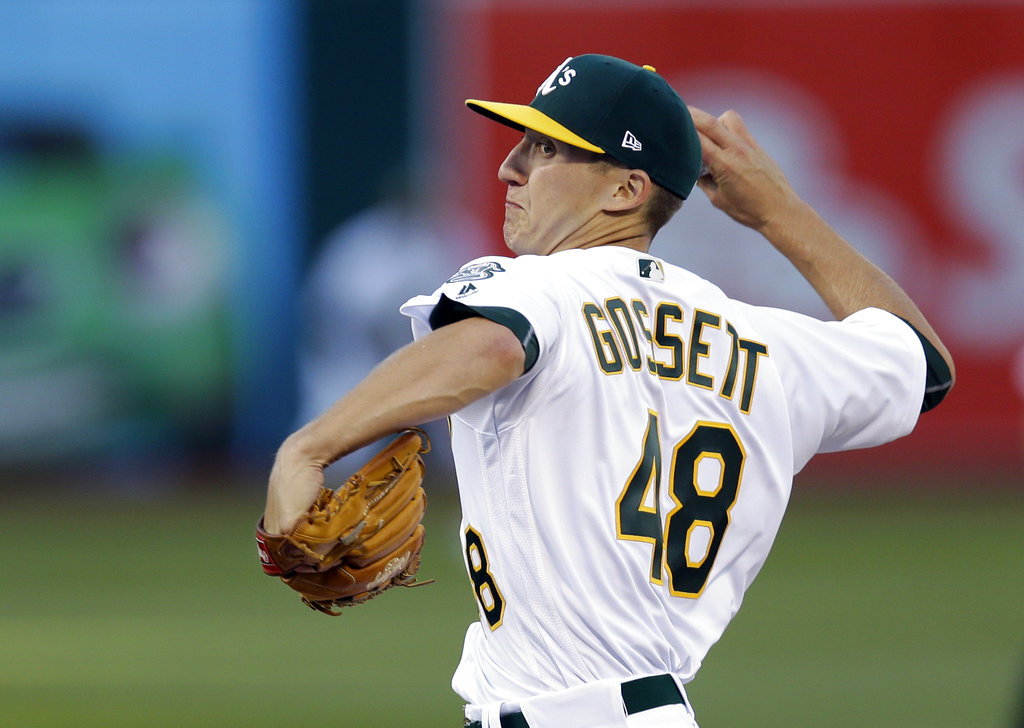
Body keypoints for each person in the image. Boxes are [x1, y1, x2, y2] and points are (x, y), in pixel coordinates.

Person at [262, 54, 955, 727]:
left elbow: (496, 344)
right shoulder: (766, 346)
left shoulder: (540, 285)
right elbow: (922, 364)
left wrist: (308, 449)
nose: (511, 167)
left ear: (625, 189)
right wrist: (778, 212)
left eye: (546, 149)